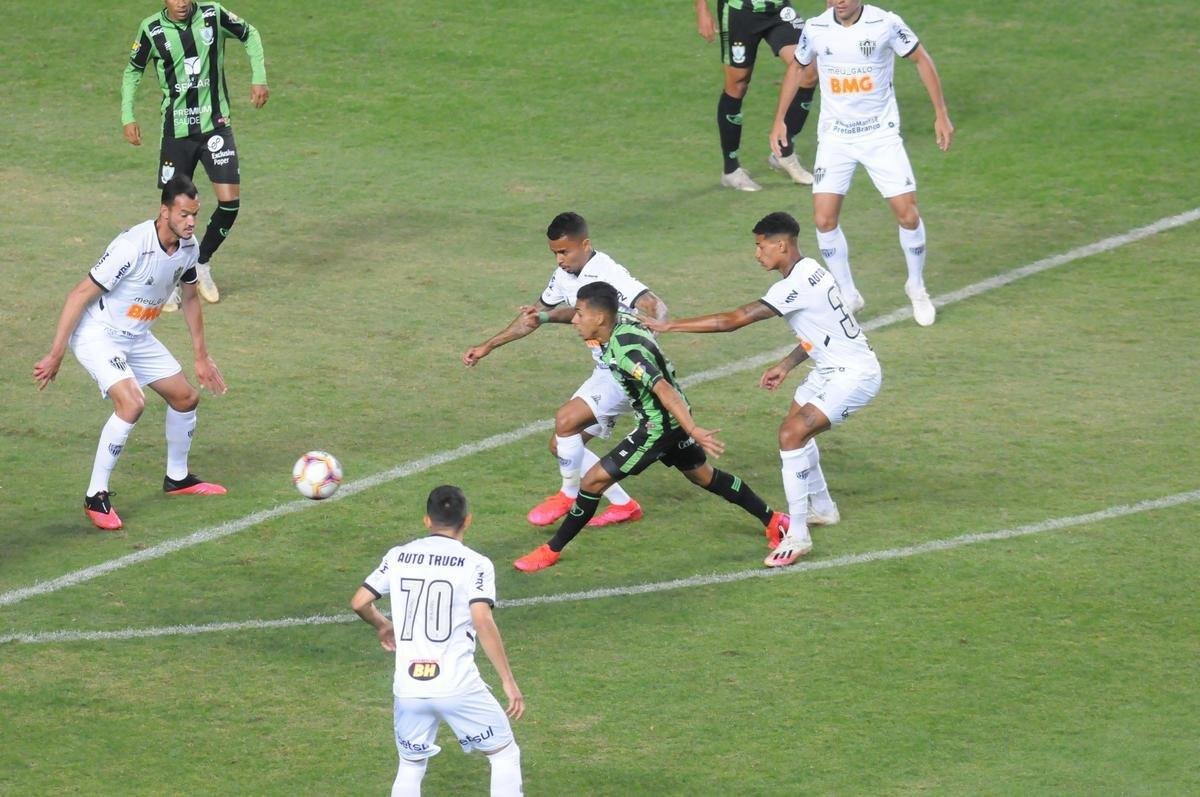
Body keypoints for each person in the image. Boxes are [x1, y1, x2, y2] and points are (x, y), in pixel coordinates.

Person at [642, 212, 880, 567]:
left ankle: (797, 536)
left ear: (781, 245)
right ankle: (824, 507)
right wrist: (786, 364)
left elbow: (732, 321)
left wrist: (671, 325)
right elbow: (824, 329)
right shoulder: (812, 268)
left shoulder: (792, 285)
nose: (757, 254)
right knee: (796, 425)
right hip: (831, 366)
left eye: (760, 245)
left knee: (791, 434)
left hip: (855, 374)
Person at [513, 282, 790, 572]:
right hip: (673, 420)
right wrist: (543, 317)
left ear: (600, 318)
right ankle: (774, 521)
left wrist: (693, 429)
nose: (575, 320)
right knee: (704, 476)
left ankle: (550, 550)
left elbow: (664, 391)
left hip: (659, 427)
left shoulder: (627, 354)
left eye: (580, 315)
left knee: (593, 482)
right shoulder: (622, 319)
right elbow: (574, 314)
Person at [32, 175, 228, 531]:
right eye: (184, 214)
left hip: (137, 337)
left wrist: (201, 356)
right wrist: (55, 353)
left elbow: (190, 297)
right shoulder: (132, 247)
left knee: (185, 398)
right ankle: (96, 495)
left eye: (195, 215)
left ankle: (177, 478)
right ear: (164, 210)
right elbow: (79, 294)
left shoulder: (188, 247)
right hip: (98, 333)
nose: (190, 222)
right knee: (132, 403)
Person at [463, 212, 667, 529]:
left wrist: (635, 345)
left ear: (585, 244)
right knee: (561, 445)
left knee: (566, 420)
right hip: (605, 370)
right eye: (555, 253)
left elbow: (655, 306)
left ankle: (568, 494)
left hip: (625, 370)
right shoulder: (564, 277)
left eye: (564, 252)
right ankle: (625, 505)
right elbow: (535, 316)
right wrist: (489, 345)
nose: (559, 260)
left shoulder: (607, 272)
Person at [769, 0, 953, 325]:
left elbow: (921, 59)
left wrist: (941, 114)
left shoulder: (886, 24)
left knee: (908, 215)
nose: (838, 1)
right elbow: (797, 67)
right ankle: (848, 293)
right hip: (835, 138)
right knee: (824, 221)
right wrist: (779, 119)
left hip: (879, 136)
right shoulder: (816, 28)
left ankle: (916, 286)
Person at [351, 485, 524, 797]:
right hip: (458, 685)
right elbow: (482, 620)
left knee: (411, 766)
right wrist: (508, 680)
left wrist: (382, 625)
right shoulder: (476, 563)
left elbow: (359, 601)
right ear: (467, 520)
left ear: (426, 520)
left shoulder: (398, 556)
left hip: (409, 688)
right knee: (503, 754)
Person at [121, 0, 269, 310]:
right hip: (177, 133)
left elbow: (249, 33)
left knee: (230, 204)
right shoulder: (152, 29)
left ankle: (201, 264)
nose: (181, 2)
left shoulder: (212, 15)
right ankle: (167, 279)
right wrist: (128, 115)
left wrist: (259, 77)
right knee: (174, 210)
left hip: (215, 126)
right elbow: (133, 71)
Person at [694, 0, 818, 191]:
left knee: (809, 71)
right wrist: (702, 9)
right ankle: (731, 170)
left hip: (779, 10)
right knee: (737, 83)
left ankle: (783, 152)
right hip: (740, 10)